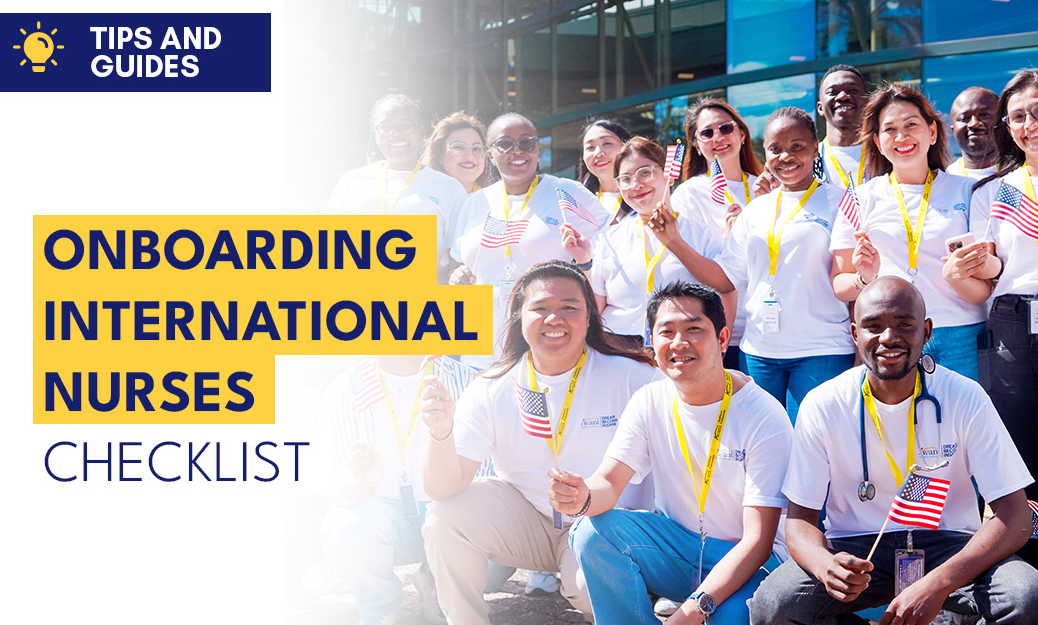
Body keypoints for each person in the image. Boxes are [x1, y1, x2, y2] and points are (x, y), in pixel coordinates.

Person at [749, 277, 1038, 625]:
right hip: (857, 549)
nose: (888, 337)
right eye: (873, 326)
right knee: (773, 604)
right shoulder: (823, 403)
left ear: (926, 331)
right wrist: (825, 565)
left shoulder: (965, 396)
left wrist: (939, 582)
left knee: (1025, 595)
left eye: (904, 324)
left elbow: (1017, 518)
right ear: (854, 334)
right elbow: (799, 521)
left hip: (950, 547)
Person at [420, 260, 660, 625]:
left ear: (589, 316)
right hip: (528, 520)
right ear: (520, 316)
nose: (554, 318)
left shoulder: (634, 376)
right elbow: (442, 488)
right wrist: (440, 433)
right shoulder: (491, 386)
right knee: (444, 517)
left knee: (590, 590)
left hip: (601, 525)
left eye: (569, 307)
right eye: (540, 307)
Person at [549, 281, 791, 625]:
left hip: (747, 561)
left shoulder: (764, 415)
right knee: (593, 533)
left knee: (731, 617)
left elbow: (758, 541)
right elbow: (609, 481)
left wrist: (690, 612)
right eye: (667, 332)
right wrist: (582, 496)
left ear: (723, 339)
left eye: (693, 329)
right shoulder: (650, 400)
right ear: (652, 343)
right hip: (679, 549)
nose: (679, 343)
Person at [661, 108, 855, 421]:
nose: (786, 156)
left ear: (815, 147)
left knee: (812, 440)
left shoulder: (841, 201)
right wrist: (674, 241)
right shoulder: (756, 209)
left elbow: (848, 279)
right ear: (765, 152)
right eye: (776, 149)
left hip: (822, 349)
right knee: (763, 440)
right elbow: (725, 279)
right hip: (759, 352)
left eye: (797, 146)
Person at [830, 83, 996, 381]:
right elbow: (840, 283)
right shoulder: (859, 198)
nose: (901, 137)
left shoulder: (970, 191)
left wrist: (959, 275)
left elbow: (985, 285)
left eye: (910, 125)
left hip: (962, 333)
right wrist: (863, 278)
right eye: (890, 129)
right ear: (878, 141)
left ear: (932, 132)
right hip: (894, 337)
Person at [318, 354, 475, 625]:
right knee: (345, 529)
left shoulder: (469, 382)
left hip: (449, 510)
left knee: (495, 547)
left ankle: (441, 589)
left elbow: (485, 482)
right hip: (384, 515)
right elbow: (337, 487)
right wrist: (362, 481)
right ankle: (380, 606)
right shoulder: (345, 388)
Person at [450, 113, 610, 367]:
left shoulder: (566, 192)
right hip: (480, 345)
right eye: (505, 144)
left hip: (546, 342)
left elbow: (612, 247)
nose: (517, 151)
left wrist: (585, 266)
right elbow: (464, 262)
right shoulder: (475, 203)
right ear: (490, 154)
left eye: (526, 143)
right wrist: (458, 274)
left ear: (537, 149)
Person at [959, 69, 1038, 567]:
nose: (1029, 125)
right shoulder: (1001, 190)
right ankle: (1028, 559)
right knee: (1020, 445)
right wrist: (971, 264)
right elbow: (994, 266)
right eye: (1018, 117)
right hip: (1012, 319)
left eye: (1037, 112)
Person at [566, 136, 727, 342]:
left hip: (681, 348)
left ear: (668, 175)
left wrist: (675, 243)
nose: (636, 185)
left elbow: (725, 289)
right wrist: (583, 263)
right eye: (625, 179)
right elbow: (595, 310)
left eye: (645, 173)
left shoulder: (703, 235)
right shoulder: (608, 240)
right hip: (620, 350)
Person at [326, 94, 468, 281]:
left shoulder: (449, 189)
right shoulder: (351, 182)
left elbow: (458, 262)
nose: (396, 134)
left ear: (421, 132)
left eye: (406, 126)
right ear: (375, 134)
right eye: (385, 128)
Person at [670, 97, 766, 370]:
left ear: (742, 134)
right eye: (707, 133)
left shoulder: (766, 187)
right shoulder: (688, 195)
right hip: (719, 331)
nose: (718, 138)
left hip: (767, 330)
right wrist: (728, 239)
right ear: (697, 145)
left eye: (725, 128)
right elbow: (685, 266)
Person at [817, 64, 869, 192]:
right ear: (820, 108)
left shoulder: (886, 154)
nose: (843, 96)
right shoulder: (807, 160)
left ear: (868, 103)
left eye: (853, 91)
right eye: (832, 92)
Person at [423, 111, 492, 194]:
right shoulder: (421, 197)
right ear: (439, 155)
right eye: (459, 147)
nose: (470, 155)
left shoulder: (496, 199)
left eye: (476, 148)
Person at [577, 119, 633, 220]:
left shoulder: (646, 195)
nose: (598, 153)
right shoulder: (578, 202)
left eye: (607, 143)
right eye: (590, 147)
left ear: (626, 148)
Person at [947, 87, 1000, 179]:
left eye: (985, 115)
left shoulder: (1022, 173)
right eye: (964, 118)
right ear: (953, 130)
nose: (974, 124)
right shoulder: (943, 179)